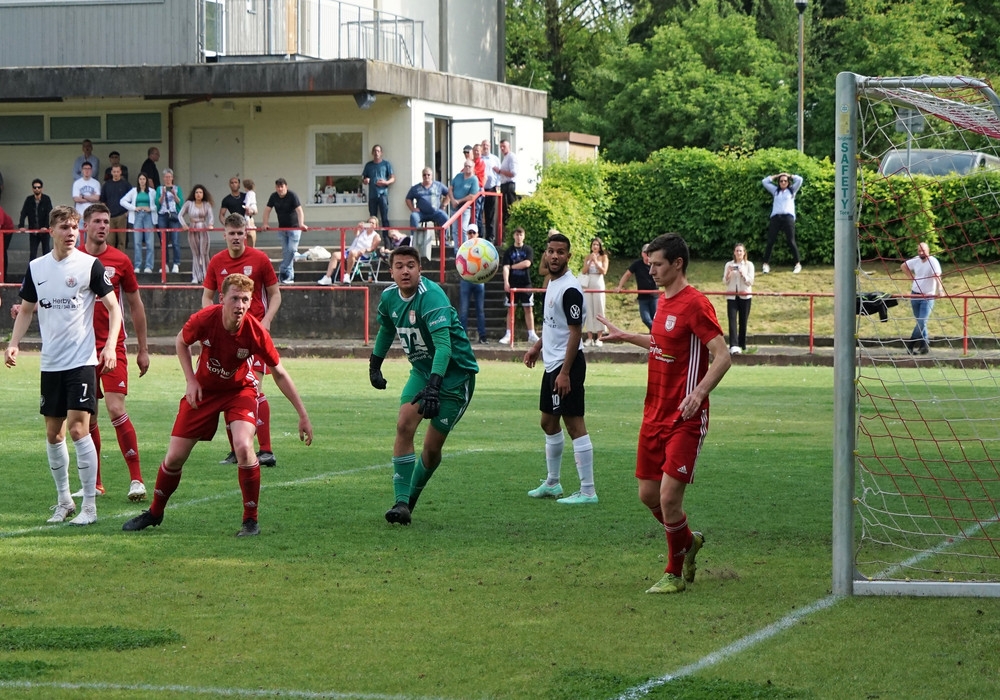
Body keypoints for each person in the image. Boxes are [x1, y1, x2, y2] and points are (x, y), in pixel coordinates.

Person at [122, 273, 313, 536]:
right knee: (174, 457)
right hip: (205, 390)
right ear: (222, 298)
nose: (240, 305)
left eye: (245, 299)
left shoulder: (255, 331)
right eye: (235, 298)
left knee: (244, 446)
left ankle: (250, 521)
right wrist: (190, 380)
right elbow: (181, 341)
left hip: (240, 391)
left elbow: (279, 373)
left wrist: (302, 414)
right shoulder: (205, 319)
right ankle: (155, 512)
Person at [598, 232, 732, 594]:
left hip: (685, 418)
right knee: (648, 495)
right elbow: (661, 344)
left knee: (669, 498)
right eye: (649, 264)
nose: (651, 270)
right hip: (653, 413)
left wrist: (699, 393)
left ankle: (674, 573)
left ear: (677, 263)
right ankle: (688, 541)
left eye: (657, 264)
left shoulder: (696, 304)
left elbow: (722, 356)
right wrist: (627, 336)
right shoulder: (663, 301)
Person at [4, 205, 122, 527]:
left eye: (74, 227)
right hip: (51, 363)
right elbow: (26, 309)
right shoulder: (37, 267)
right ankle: (64, 502)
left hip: (81, 361)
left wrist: (110, 345)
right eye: (65, 227)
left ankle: (90, 507)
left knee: (78, 429)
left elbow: (114, 308)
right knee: (53, 434)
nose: (71, 233)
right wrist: (14, 343)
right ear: (51, 231)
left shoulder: (89, 265)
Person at [368, 245, 479, 525]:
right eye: (399, 266)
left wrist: (434, 386)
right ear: (391, 271)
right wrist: (374, 364)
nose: (405, 271)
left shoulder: (432, 297)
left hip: (456, 376)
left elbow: (444, 347)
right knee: (403, 424)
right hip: (422, 371)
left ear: (420, 269)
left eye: (411, 266)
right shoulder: (389, 297)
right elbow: (387, 328)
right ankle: (401, 503)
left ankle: (411, 499)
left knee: (431, 447)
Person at [77, 203, 150, 501]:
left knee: (116, 409)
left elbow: (135, 305)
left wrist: (143, 349)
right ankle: (95, 483)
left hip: (112, 346)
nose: (103, 226)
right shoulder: (73, 259)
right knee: (88, 418)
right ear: (85, 226)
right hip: (79, 349)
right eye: (97, 221)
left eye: (106, 222)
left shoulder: (120, 260)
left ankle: (137, 479)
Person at [523, 233, 597, 505]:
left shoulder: (570, 289)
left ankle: (588, 491)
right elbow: (553, 324)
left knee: (574, 425)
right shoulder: (552, 283)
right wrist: (537, 347)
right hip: (553, 364)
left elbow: (575, 333)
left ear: (568, 256)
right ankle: (553, 483)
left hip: (567, 365)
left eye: (560, 252)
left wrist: (565, 373)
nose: (554, 256)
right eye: (551, 251)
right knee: (548, 422)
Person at [203, 213, 282, 467]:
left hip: (254, 336)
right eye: (232, 233)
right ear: (224, 235)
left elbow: (275, 294)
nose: (236, 237)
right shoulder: (216, 262)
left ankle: (266, 450)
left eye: (240, 233)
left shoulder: (260, 259)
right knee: (230, 389)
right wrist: (211, 322)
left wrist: (266, 320)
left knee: (254, 388)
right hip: (227, 337)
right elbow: (207, 297)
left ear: (246, 234)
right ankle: (236, 450)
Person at [900, 241, 945, 355]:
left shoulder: (933, 261)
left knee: (922, 321)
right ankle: (924, 346)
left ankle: (910, 344)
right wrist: (911, 278)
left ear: (928, 251)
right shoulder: (916, 260)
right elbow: (903, 266)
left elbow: (937, 276)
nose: (921, 253)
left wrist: (940, 290)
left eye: (923, 251)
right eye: (919, 251)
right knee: (921, 322)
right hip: (915, 294)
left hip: (928, 296)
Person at [498, 227, 539, 345]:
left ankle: (531, 334)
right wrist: (506, 282)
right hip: (513, 283)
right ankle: (508, 334)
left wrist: (512, 266)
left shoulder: (528, 249)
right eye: (517, 234)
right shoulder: (509, 251)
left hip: (525, 283)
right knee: (511, 309)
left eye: (521, 234)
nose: (519, 237)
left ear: (524, 236)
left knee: (528, 308)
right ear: (514, 236)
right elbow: (505, 267)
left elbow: (527, 263)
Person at [262, 178, 306, 285]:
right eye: (278, 187)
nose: (280, 189)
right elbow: (267, 210)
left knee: (292, 250)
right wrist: (265, 223)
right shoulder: (274, 196)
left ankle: (282, 269)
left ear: (286, 187)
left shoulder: (292, 195)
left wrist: (301, 224)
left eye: (282, 186)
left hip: (294, 228)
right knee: (286, 252)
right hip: (282, 229)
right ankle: (289, 277)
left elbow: (299, 211)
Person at [317, 216, 380, 285]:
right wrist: (358, 227)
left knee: (352, 253)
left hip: (363, 254)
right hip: (351, 251)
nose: (370, 224)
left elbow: (372, 248)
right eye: (369, 222)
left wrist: (365, 249)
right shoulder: (362, 231)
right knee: (335, 255)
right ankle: (327, 277)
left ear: (376, 226)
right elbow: (356, 233)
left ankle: (347, 275)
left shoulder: (376, 236)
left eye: (373, 223)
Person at [761, 172, 803, 274]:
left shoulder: (792, 190)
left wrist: (789, 175)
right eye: (781, 181)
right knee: (771, 241)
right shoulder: (775, 191)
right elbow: (764, 181)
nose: (783, 182)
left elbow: (800, 180)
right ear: (779, 182)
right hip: (776, 217)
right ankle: (765, 265)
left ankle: (797, 264)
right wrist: (777, 175)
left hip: (788, 217)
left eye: (785, 181)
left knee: (791, 241)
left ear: (788, 182)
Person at [405, 168, 450, 261]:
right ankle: (414, 241)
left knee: (445, 217)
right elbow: (408, 198)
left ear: (432, 176)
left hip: (436, 212)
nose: (426, 177)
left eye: (428, 175)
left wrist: (444, 205)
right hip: (421, 213)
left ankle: (444, 240)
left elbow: (449, 194)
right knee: (413, 216)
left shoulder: (438, 185)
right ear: (422, 176)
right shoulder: (416, 188)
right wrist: (413, 209)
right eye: (424, 175)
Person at [615, 243, 660, 331]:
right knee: (646, 319)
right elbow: (627, 274)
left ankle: (655, 335)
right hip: (643, 298)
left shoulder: (656, 264)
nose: (648, 255)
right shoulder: (637, 264)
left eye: (650, 253)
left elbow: (665, 274)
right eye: (646, 253)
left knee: (656, 319)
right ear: (642, 254)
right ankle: (656, 333)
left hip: (654, 297)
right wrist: (619, 286)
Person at [120, 172, 158, 273]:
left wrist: (150, 208)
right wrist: (133, 208)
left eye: (144, 179)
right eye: (140, 179)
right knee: (137, 242)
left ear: (146, 180)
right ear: (138, 180)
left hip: (148, 215)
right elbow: (122, 201)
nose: (142, 181)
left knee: (149, 242)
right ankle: (137, 265)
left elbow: (158, 204)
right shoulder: (133, 191)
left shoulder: (152, 191)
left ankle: (149, 266)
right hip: (137, 215)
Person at [457, 224, 488, 343]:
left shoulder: (483, 247)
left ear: (477, 234)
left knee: (480, 310)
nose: (471, 235)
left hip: (479, 280)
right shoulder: (463, 248)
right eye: (470, 233)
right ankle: (463, 337)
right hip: (466, 280)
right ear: (467, 234)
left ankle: (482, 336)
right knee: (463, 310)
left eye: (473, 233)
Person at [179, 183, 214, 284]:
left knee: (204, 253)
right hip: (192, 229)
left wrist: (210, 225)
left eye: (200, 192)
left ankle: (206, 276)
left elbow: (211, 216)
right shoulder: (189, 204)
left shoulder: (206, 204)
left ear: (203, 194)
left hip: (203, 228)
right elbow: (180, 215)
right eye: (196, 192)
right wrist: (184, 225)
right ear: (194, 194)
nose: (198, 194)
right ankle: (196, 276)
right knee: (195, 253)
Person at [723, 242, 755, 354]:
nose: (739, 253)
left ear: (744, 253)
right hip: (732, 296)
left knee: (743, 320)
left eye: (740, 251)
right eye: (737, 251)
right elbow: (725, 282)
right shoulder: (729, 264)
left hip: (745, 296)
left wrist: (743, 274)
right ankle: (734, 345)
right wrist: (728, 273)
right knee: (732, 320)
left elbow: (750, 282)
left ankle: (742, 345)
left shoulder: (749, 265)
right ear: (734, 252)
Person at [580, 237, 609, 347]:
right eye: (593, 245)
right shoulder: (588, 257)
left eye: (597, 245)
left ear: (600, 247)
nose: (595, 246)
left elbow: (604, 271)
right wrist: (590, 261)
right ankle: (590, 337)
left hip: (598, 282)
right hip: (588, 283)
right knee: (588, 309)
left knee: (599, 308)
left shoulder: (603, 257)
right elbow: (583, 271)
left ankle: (599, 337)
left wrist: (596, 262)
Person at [449, 160, 480, 258]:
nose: (467, 168)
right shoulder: (458, 176)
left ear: (473, 167)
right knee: (454, 229)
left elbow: (472, 196)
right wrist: (453, 200)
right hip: (454, 206)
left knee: (463, 228)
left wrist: (459, 201)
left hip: (465, 207)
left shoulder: (474, 179)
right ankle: (456, 250)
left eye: (469, 166)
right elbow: (450, 188)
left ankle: (465, 249)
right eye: (466, 166)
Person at [156, 169, 183, 274]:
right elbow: (157, 203)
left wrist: (174, 194)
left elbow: (180, 202)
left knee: (175, 240)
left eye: (169, 177)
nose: (168, 179)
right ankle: (165, 264)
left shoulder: (177, 188)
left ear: (172, 178)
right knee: (164, 241)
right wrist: (163, 194)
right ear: (163, 178)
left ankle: (176, 263)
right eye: (166, 177)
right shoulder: (159, 189)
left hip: (174, 215)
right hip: (162, 215)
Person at [18, 179, 53, 261]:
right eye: (35, 187)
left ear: (42, 188)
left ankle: (47, 269)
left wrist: (46, 227)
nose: (37, 189)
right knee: (33, 254)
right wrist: (21, 226)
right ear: (32, 189)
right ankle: (31, 269)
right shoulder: (29, 199)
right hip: (33, 231)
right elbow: (23, 213)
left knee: (46, 252)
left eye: (39, 187)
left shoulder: (46, 199)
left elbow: (50, 214)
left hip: (44, 232)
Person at [362, 144, 395, 228]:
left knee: (384, 218)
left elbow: (393, 178)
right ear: (372, 153)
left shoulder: (386, 164)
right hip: (372, 195)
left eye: (378, 151)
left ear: (381, 153)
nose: (376, 153)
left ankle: (386, 236)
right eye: (375, 151)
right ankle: (372, 235)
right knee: (372, 219)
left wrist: (386, 182)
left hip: (383, 194)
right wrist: (365, 180)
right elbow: (363, 179)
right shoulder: (368, 165)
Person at [100, 164, 132, 251]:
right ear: (111, 172)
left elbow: (132, 199)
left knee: (122, 241)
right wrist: (105, 214)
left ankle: (121, 258)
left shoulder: (126, 185)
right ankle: (112, 258)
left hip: (122, 216)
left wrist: (127, 213)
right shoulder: (106, 185)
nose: (116, 173)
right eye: (114, 172)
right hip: (109, 217)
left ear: (120, 172)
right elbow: (103, 201)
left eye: (118, 171)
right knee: (110, 241)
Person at [480, 139, 502, 241]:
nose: (485, 147)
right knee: (479, 213)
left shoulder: (495, 159)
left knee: (490, 213)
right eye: (484, 145)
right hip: (480, 189)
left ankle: (490, 237)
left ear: (490, 146)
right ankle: (480, 235)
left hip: (492, 188)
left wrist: (498, 185)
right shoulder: (479, 159)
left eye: (487, 145)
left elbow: (499, 173)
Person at [495, 139, 518, 226]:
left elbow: (513, 173)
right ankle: (506, 227)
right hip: (504, 185)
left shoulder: (511, 157)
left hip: (509, 185)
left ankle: (510, 226)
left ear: (509, 146)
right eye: (501, 147)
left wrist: (500, 171)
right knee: (504, 209)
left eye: (504, 146)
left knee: (509, 208)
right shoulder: (505, 157)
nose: (502, 148)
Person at [242, 178, 258, 247]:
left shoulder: (248, 193)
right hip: (254, 205)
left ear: (246, 187)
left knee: (246, 216)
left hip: (250, 205)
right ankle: (251, 226)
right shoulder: (253, 193)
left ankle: (249, 226)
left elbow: (248, 200)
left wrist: (247, 206)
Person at [1, 204, 15, 283]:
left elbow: (0, 224)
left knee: (2, 251)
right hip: (2, 230)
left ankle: (3, 277)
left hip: (7, 231)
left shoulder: (0, 211)